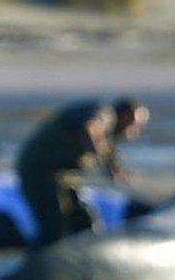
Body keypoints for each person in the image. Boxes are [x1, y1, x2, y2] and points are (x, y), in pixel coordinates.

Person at [14, 98, 147, 248]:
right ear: (125, 115)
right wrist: (102, 160)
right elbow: (89, 127)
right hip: (39, 171)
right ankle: (38, 265)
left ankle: (87, 258)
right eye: (135, 124)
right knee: (54, 223)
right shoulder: (104, 114)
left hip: (63, 176)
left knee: (84, 218)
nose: (135, 131)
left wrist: (113, 166)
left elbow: (106, 148)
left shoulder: (107, 131)